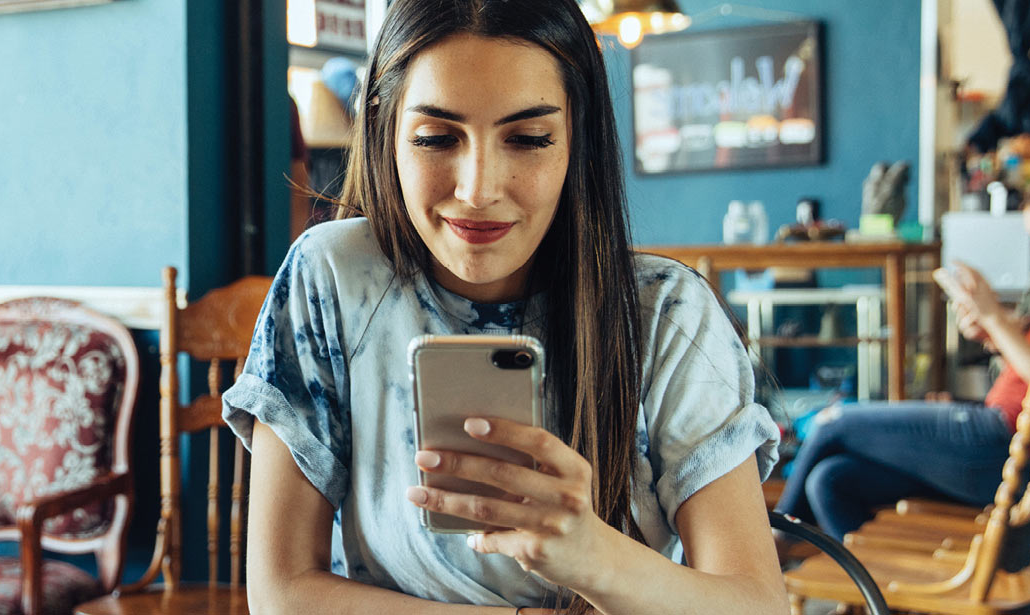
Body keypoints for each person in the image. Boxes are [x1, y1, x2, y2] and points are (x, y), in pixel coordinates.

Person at [219, 1, 786, 613]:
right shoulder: (332, 276)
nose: (478, 189)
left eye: (529, 138)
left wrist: (594, 557)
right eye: (437, 138)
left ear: (578, 137)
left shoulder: (666, 314)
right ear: (384, 129)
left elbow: (757, 604)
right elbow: (281, 593)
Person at [773, 157, 1030, 539]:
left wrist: (994, 317)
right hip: (998, 435)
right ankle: (880, 596)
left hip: (999, 442)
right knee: (830, 479)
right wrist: (990, 333)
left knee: (831, 421)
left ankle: (774, 543)